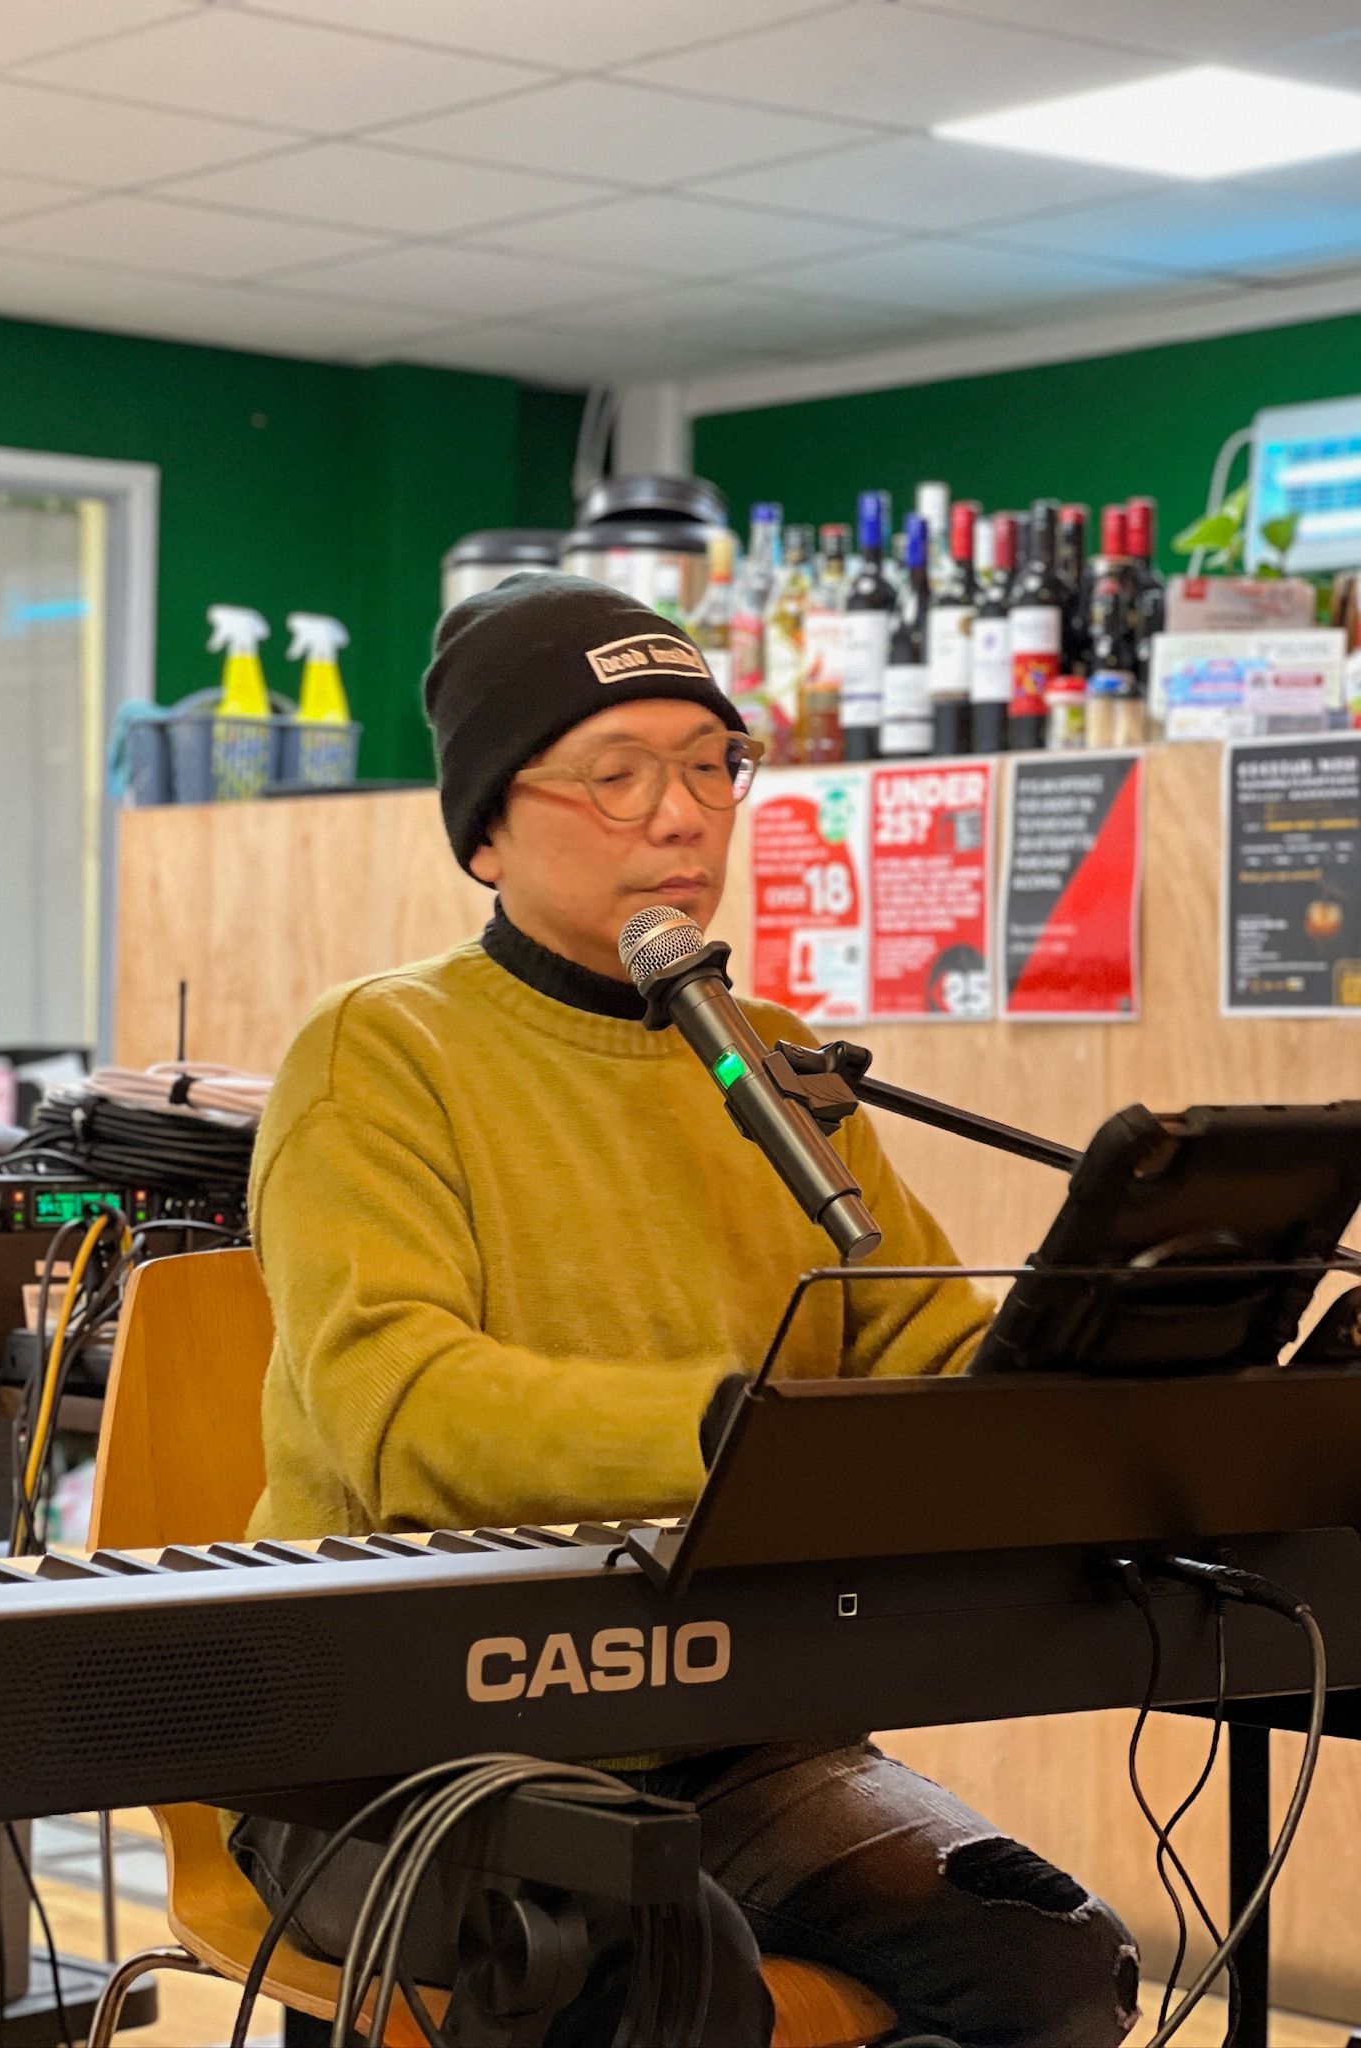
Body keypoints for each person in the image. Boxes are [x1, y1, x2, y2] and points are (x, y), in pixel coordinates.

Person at [229, 575, 1140, 2047]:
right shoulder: (381, 1053)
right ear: (488, 827)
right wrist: (734, 1432)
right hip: (394, 1740)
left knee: (1050, 1964)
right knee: (655, 1962)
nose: (685, 816)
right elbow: (398, 1405)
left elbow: (914, 1338)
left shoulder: (774, 1061)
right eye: (620, 775)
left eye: (716, 766)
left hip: (730, 1718)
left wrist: (1093, 1375)